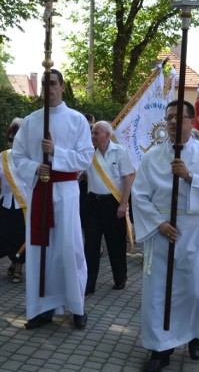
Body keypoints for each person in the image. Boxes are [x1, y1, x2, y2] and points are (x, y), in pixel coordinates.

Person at [132, 100, 199, 370]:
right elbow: (139, 195)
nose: (172, 122)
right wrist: (159, 223)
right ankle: (160, 347)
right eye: (168, 117)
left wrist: (189, 176)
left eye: (178, 117)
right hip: (161, 232)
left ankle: (197, 335)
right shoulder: (152, 157)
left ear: (191, 121)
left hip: (192, 232)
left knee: (195, 291)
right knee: (159, 292)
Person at [12, 69, 93, 330]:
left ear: (63, 87)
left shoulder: (77, 120)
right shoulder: (31, 121)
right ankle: (41, 308)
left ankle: (76, 305)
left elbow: (85, 158)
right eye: (45, 84)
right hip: (41, 191)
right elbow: (18, 156)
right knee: (40, 250)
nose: (49, 89)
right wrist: (36, 167)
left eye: (54, 84)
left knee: (69, 249)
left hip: (66, 192)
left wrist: (56, 153)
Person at [84, 120, 134, 295]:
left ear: (106, 135)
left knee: (116, 243)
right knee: (90, 244)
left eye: (96, 133)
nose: (93, 136)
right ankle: (89, 283)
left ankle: (120, 278)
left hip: (113, 203)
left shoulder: (120, 152)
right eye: (92, 133)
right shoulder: (89, 153)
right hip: (92, 203)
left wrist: (123, 203)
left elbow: (128, 178)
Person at [0, 122, 28, 283]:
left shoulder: (30, 157)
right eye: (9, 139)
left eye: (15, 139)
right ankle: (14, 261)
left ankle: (18, 268)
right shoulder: (3, 156)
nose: (11, 142)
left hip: (23, 205)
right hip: (6, 202)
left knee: (21, 236)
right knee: (6, 237)